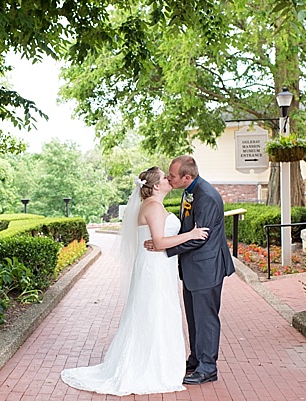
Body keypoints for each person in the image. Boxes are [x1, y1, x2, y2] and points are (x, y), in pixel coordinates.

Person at [61, 166, 209, 396]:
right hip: (155, 268)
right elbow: (159, 243)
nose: (169, 179)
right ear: (156, 186)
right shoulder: (153, 207)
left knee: (154, 312)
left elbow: (157, 241)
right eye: (164, 178)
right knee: (156, 312)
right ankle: (155, 369)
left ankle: (160, 363)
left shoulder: (153, 206)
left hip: (158, 266)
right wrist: (190, 235)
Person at [146, 155, 235, 385]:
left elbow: (199, 237)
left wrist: (163, 248)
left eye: (172, 176)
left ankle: (208, 368)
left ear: (187, 177)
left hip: (207, 268)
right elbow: (189, 229)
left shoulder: (205, 197)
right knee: (194, 318)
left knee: (206, 319)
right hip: (193, 269)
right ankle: (196, 360)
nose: (169, 178)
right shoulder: (190, 190)